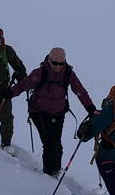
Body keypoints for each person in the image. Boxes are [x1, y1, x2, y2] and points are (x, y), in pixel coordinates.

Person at [11, 48, 97, 176]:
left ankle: (56, 170)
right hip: (38, 112)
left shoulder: (68, 74)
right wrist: (9, 93)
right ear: (49, 60)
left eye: (61, 63)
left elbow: (80, 91)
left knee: (57, 143)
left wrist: (90, 108)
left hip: (58, 113)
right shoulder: (40, 72)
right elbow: (23, 85)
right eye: (55, 63)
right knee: (49, 143)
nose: (58, 66)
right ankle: (49, 174)